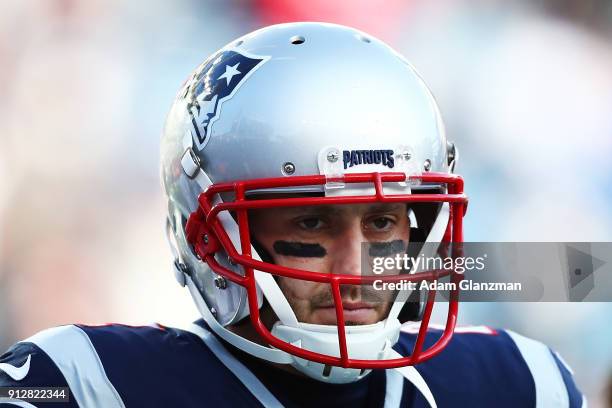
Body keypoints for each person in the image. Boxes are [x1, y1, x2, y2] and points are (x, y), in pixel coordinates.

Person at [0, 22, 584, 408]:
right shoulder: (82, 383)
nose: (360, 265)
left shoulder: (518, 383)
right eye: (312, 223)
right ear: (213, 240)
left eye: (381, 222)